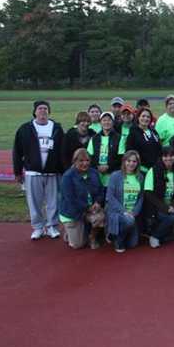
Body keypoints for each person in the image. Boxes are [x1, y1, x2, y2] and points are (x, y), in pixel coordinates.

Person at [13, 100, 65, 240]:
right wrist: (18, 171)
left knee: (53, 201)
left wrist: (62, 170)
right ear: (35, 112)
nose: (43, 111)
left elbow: (62, 151)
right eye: (40, 109)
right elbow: (17, 151)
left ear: (49, 111)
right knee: (34, 202)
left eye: (45, 109)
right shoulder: (25, 129)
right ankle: (38, 227)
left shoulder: (57, 128)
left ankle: (52, 226)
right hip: (33, 172)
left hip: (52, 172)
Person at [58, 148, 105, 249]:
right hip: (73, 213)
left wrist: (98, 202)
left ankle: (92, 236)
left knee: (101, 217)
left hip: (90, 209)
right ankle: (68, 231)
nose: (85, 163)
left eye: (87, 160)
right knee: (78, 245)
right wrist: (88, 208)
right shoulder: (67, 177)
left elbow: (101, 191)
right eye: (81, 161)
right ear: (74, 161)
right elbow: (71, 200)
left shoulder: (94, 173)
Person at [105, 150, 145, 253]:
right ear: (124, 161)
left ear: (138, 163)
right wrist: (124, 211)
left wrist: (134, 212)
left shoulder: (140, 177)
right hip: (118, 212)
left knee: (133, 244)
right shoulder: (115, 176)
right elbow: (110, 197)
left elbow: (141, 198)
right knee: (128, 221)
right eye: (129, 161)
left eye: (134, 161)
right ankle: (118, 240)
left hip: (132, 214)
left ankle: (115, 234)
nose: (131, 164)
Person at [143, 146, 174, 248]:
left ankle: (157, 234)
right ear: (161, 157)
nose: (168, 158)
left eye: (171, 156)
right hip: (156, 207)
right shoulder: (153, 171)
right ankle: (155, 236)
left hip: (171, 206)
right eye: (165, 156)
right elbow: (148, 194)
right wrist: (165, 208)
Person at [87, 111, 121, 191]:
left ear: (113, 122)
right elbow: (89, 156)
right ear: (100, 122)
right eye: (104, 120)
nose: (107, 122)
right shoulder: (94, 138)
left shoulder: (119, 138)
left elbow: (121, 157)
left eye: (109, 120)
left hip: (112, 176)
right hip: (97, 175)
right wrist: (98, 167)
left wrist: (108, 167)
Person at [125, 107, 161, 172]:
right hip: (140, 170)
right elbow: (129, 151)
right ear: (138, 117)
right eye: (143, 116)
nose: (145, 118)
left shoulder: (154, 132)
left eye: (148, 117)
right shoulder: (133, 133)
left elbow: (159, 148)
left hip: (154, 169)